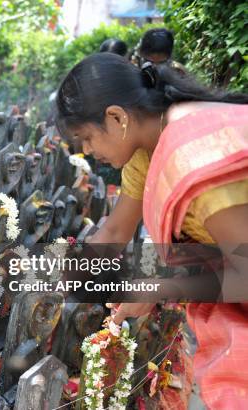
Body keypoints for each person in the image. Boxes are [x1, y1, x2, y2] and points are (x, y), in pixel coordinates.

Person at [55, 52, 248, 409]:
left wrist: (159, 285)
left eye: (85, 137)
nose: (85, 151)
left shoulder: (194, 153)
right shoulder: (148, 145)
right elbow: (113, 233)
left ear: (116, 117)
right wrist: (57, 288)